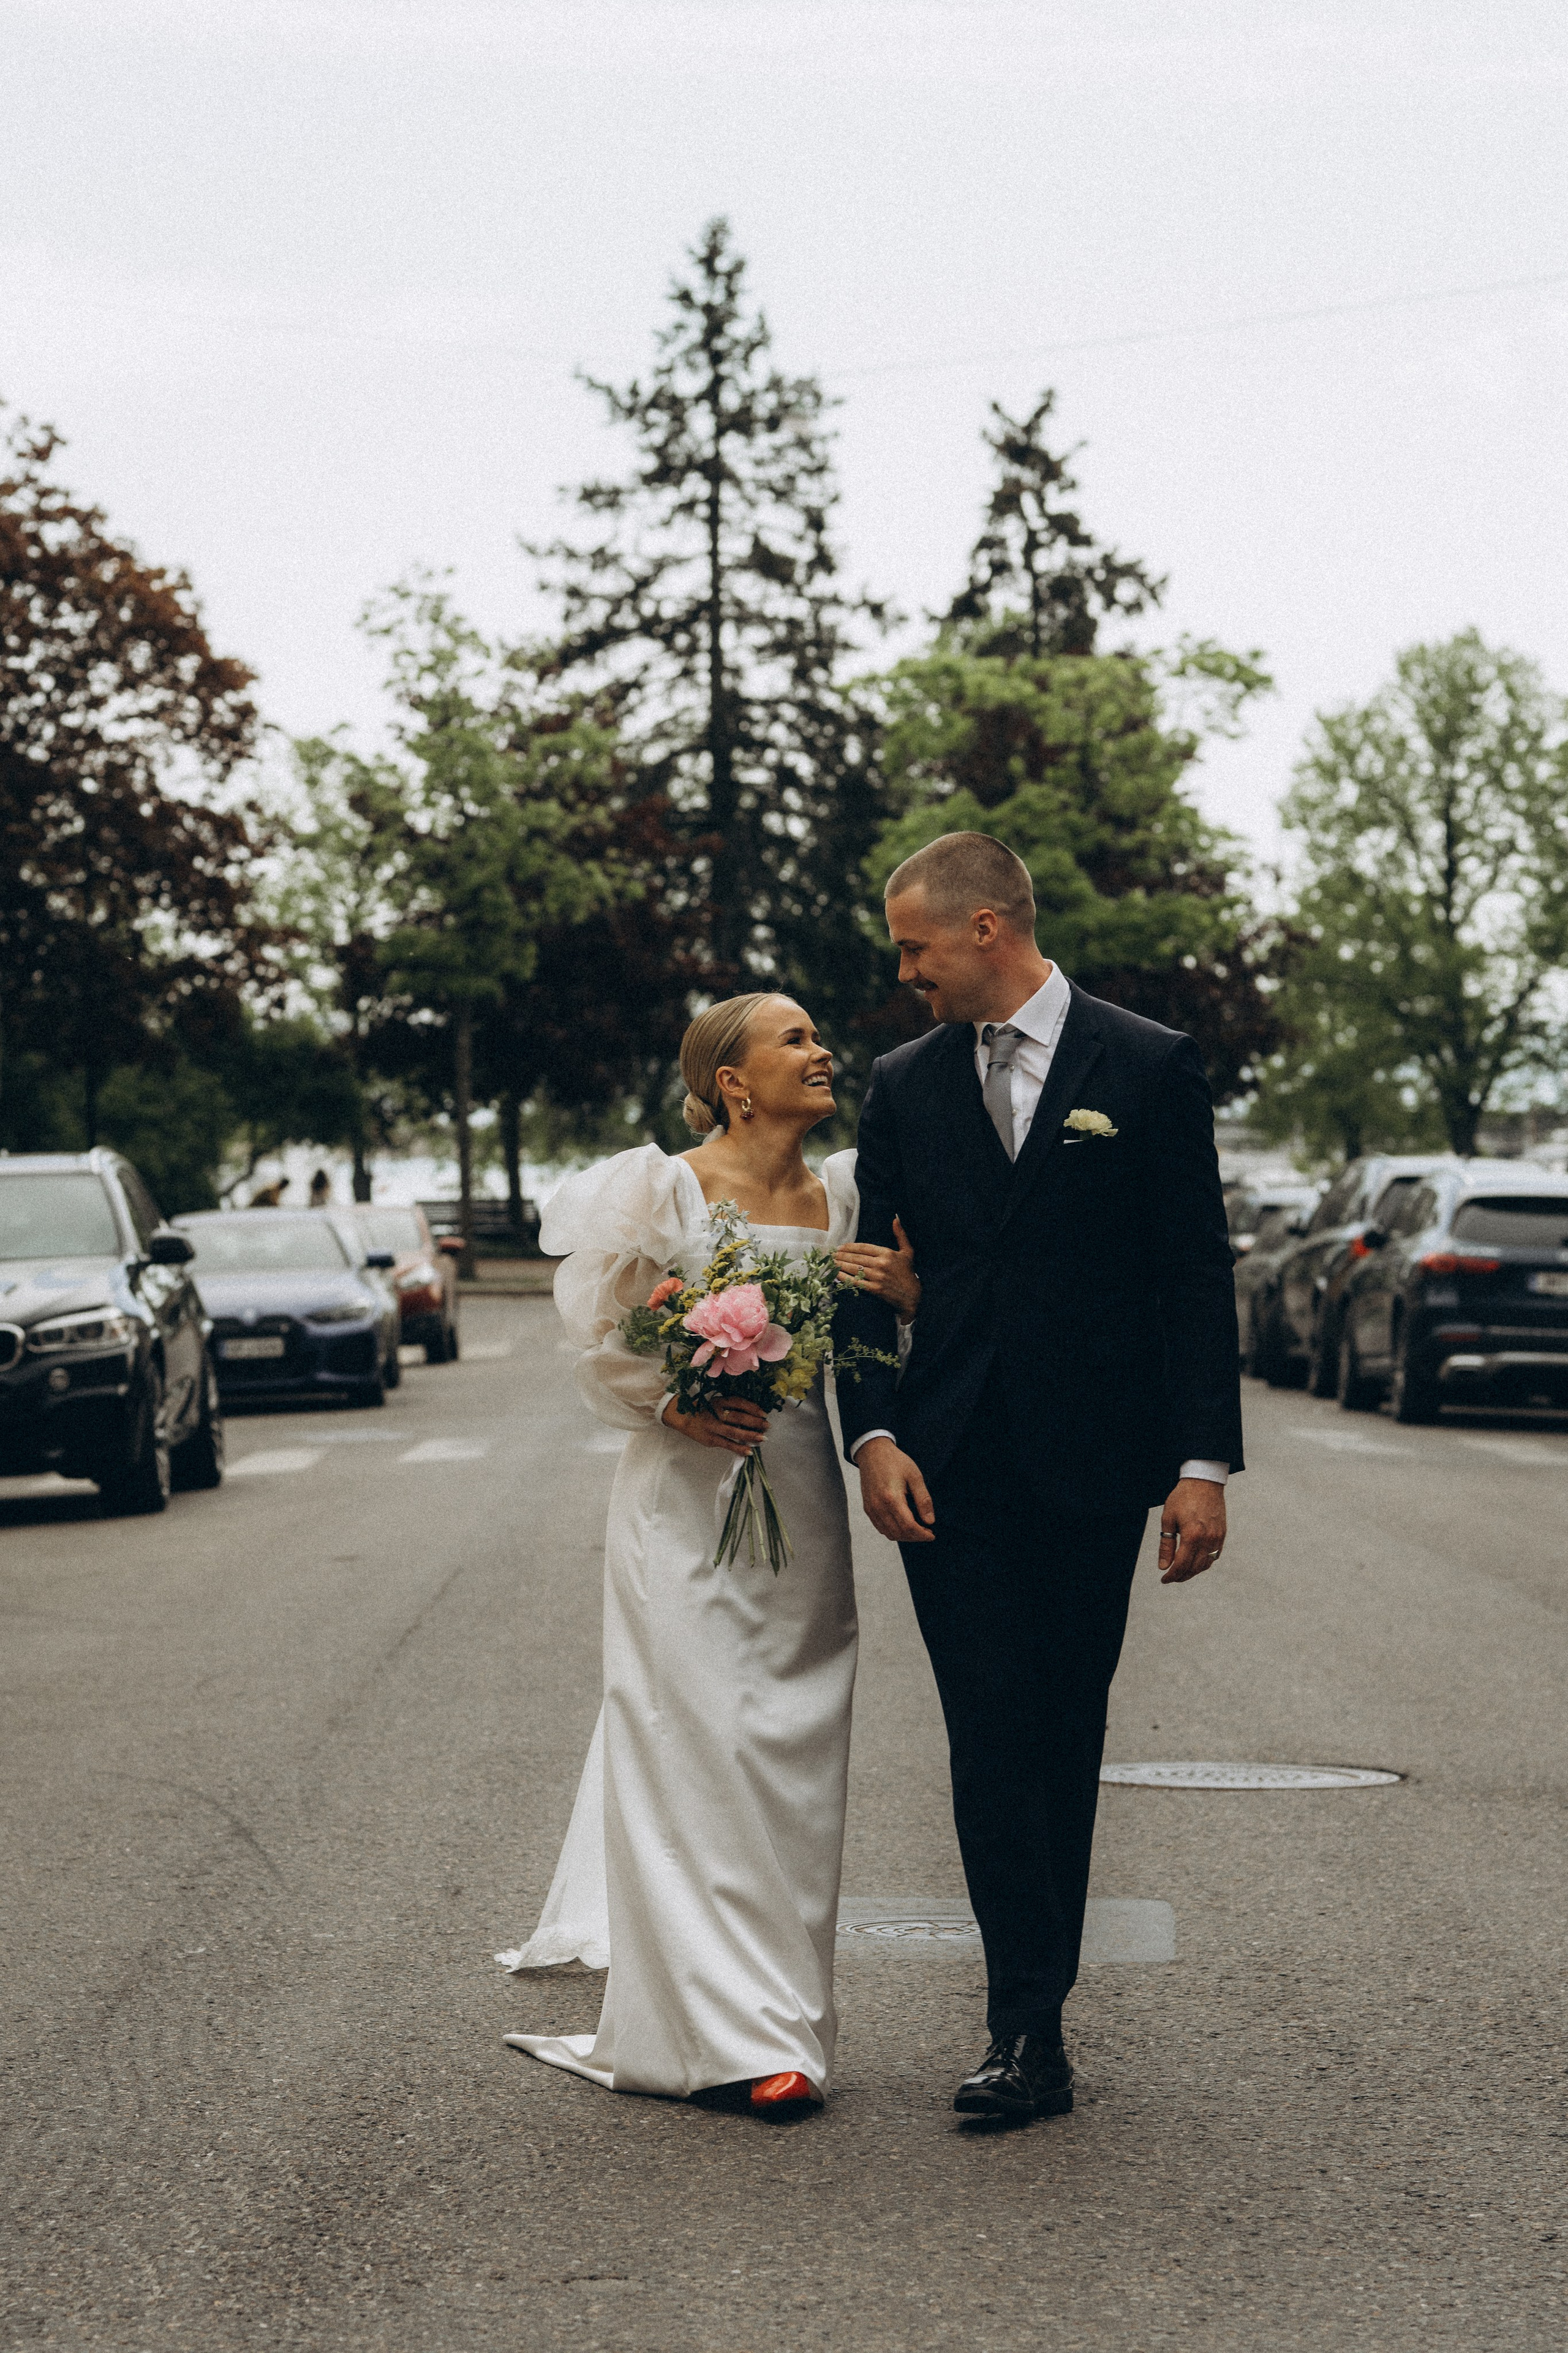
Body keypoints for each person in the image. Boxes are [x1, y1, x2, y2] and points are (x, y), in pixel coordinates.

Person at [833, 832, 1243, 2126]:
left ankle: (1038, 2009)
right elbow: (861, 1277)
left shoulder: (1147, 1064)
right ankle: (1021, 2027)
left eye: (914, 946)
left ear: (984, 932)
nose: (904, 973)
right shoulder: (901, 1083)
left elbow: (1191, 1274)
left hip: (1088, 1464)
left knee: (1061, 1732)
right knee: (985, 1736)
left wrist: (1198, 1464)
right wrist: (872, 1433)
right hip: (942, 1469)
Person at [499, 994, 918, 2118]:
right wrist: (674, 1405)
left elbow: (871, 1345)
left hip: (800, 1510)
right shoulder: (663, 1187)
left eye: (819, 1036)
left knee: (793, 1753)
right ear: (733, 1079)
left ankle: (787, 2016)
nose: (822, 1050)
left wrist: (906, 1303)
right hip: (683, 1506)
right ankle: (731, 2039)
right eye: (793, 1039)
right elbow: (599, 1338)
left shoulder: (845, 1193)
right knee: (697, 1746)